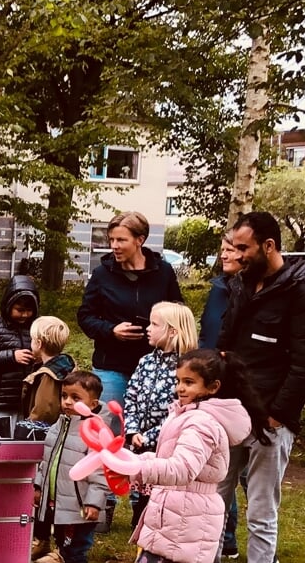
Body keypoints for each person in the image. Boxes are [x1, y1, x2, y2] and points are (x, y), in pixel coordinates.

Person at [216, 211, 305, 563]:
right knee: (212, 502)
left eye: (243, 248)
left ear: (268, 245)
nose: (237, 255)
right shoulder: (241, 285)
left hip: (270, 418)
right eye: (233, 247)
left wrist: (278, 415)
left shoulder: (304, 291)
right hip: (229, 411)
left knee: (261, 511)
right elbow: (225, 343)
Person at [123, 349, 269, 563]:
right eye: (178, 380)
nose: (180, 388)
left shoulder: (201, 423)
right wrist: (137, 461)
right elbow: (168, 457)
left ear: (213, 387)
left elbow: (181, 469)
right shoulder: (185, 414)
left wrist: (138, 468)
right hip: (174, 517)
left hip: (186, 524)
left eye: (189, 382)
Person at [77, 212, 183, 405]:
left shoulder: (164, 272)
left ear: (139, 240)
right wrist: (111, 330)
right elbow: (85, 316)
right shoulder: (102, 274)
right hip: (111, 367)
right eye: (111, 240)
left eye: (121, 240)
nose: (114, 246)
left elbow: (178, 313)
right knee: (109, 428)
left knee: (146, 429)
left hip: (156, 367)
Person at [123, 301, 199, 528]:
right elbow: (131, 396)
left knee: (160, 498)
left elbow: (180, 410)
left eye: (154, 324)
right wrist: (133, 429)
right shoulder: (145, 361)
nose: (147, 328)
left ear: (173, 330)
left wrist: (151, 436)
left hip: (167, 446)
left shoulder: (186, 369)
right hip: (141, 443)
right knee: (141, 496)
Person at [32, 370, 110, 563]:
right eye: (64, 396)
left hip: (81, 506)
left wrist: (94, 502)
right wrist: (39, 486)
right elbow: (45, 461)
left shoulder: (95, 433)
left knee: (76, 548)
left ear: (92, 404)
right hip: (60, 503)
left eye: (75, 398)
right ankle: (56, 551)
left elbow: (101, 472)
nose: (67, 401)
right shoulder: (57, 426)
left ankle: (67, 557)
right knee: (62, 538)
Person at [197, 237, 242, 557]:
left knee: (233, 470)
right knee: (218, 466)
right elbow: (207, 333)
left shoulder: (249, 292)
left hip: (236, 389)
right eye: (222, 248)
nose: (223, 253)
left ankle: (227, 537)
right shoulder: (218, 288)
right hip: (210, 385)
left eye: (231, 249)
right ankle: (217, 539)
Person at [0, 273, 40, 423]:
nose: (24, 315)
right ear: (9, 305)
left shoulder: (37, 327)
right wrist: (11, 356)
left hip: (29, 400)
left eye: (29, 310)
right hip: (2, 399)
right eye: (19, 310)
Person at [17, 316, 76, 435]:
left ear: (39, 344)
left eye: (32, 339)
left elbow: (44, 410)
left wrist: (26, 430)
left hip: (43, 435)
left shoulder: (48, 375)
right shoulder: (67, 365)